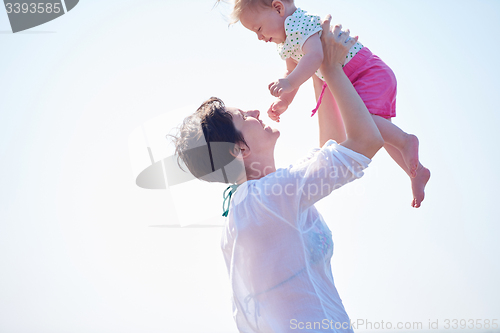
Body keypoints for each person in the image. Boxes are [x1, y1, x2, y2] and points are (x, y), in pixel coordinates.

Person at [170, 18, 383, 332]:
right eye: (244, 117)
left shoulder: (259, 200)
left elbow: (331, 148)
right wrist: (335, 68)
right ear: (237, 150)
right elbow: (365, 143)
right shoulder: (263, 200)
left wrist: (319, 70)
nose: (255, 112)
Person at [225, 0, 430, 208]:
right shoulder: (285, 42)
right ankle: (415, 171)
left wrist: (288, 83)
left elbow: (315, 56)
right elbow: (292, 71)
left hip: (365, 72)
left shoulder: (298, 23)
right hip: (354, 79)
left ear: (278, 8)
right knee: (383, 134)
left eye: (258, 29)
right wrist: (284, 100)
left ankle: (406, 141)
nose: (259, 37)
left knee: (366, 124)